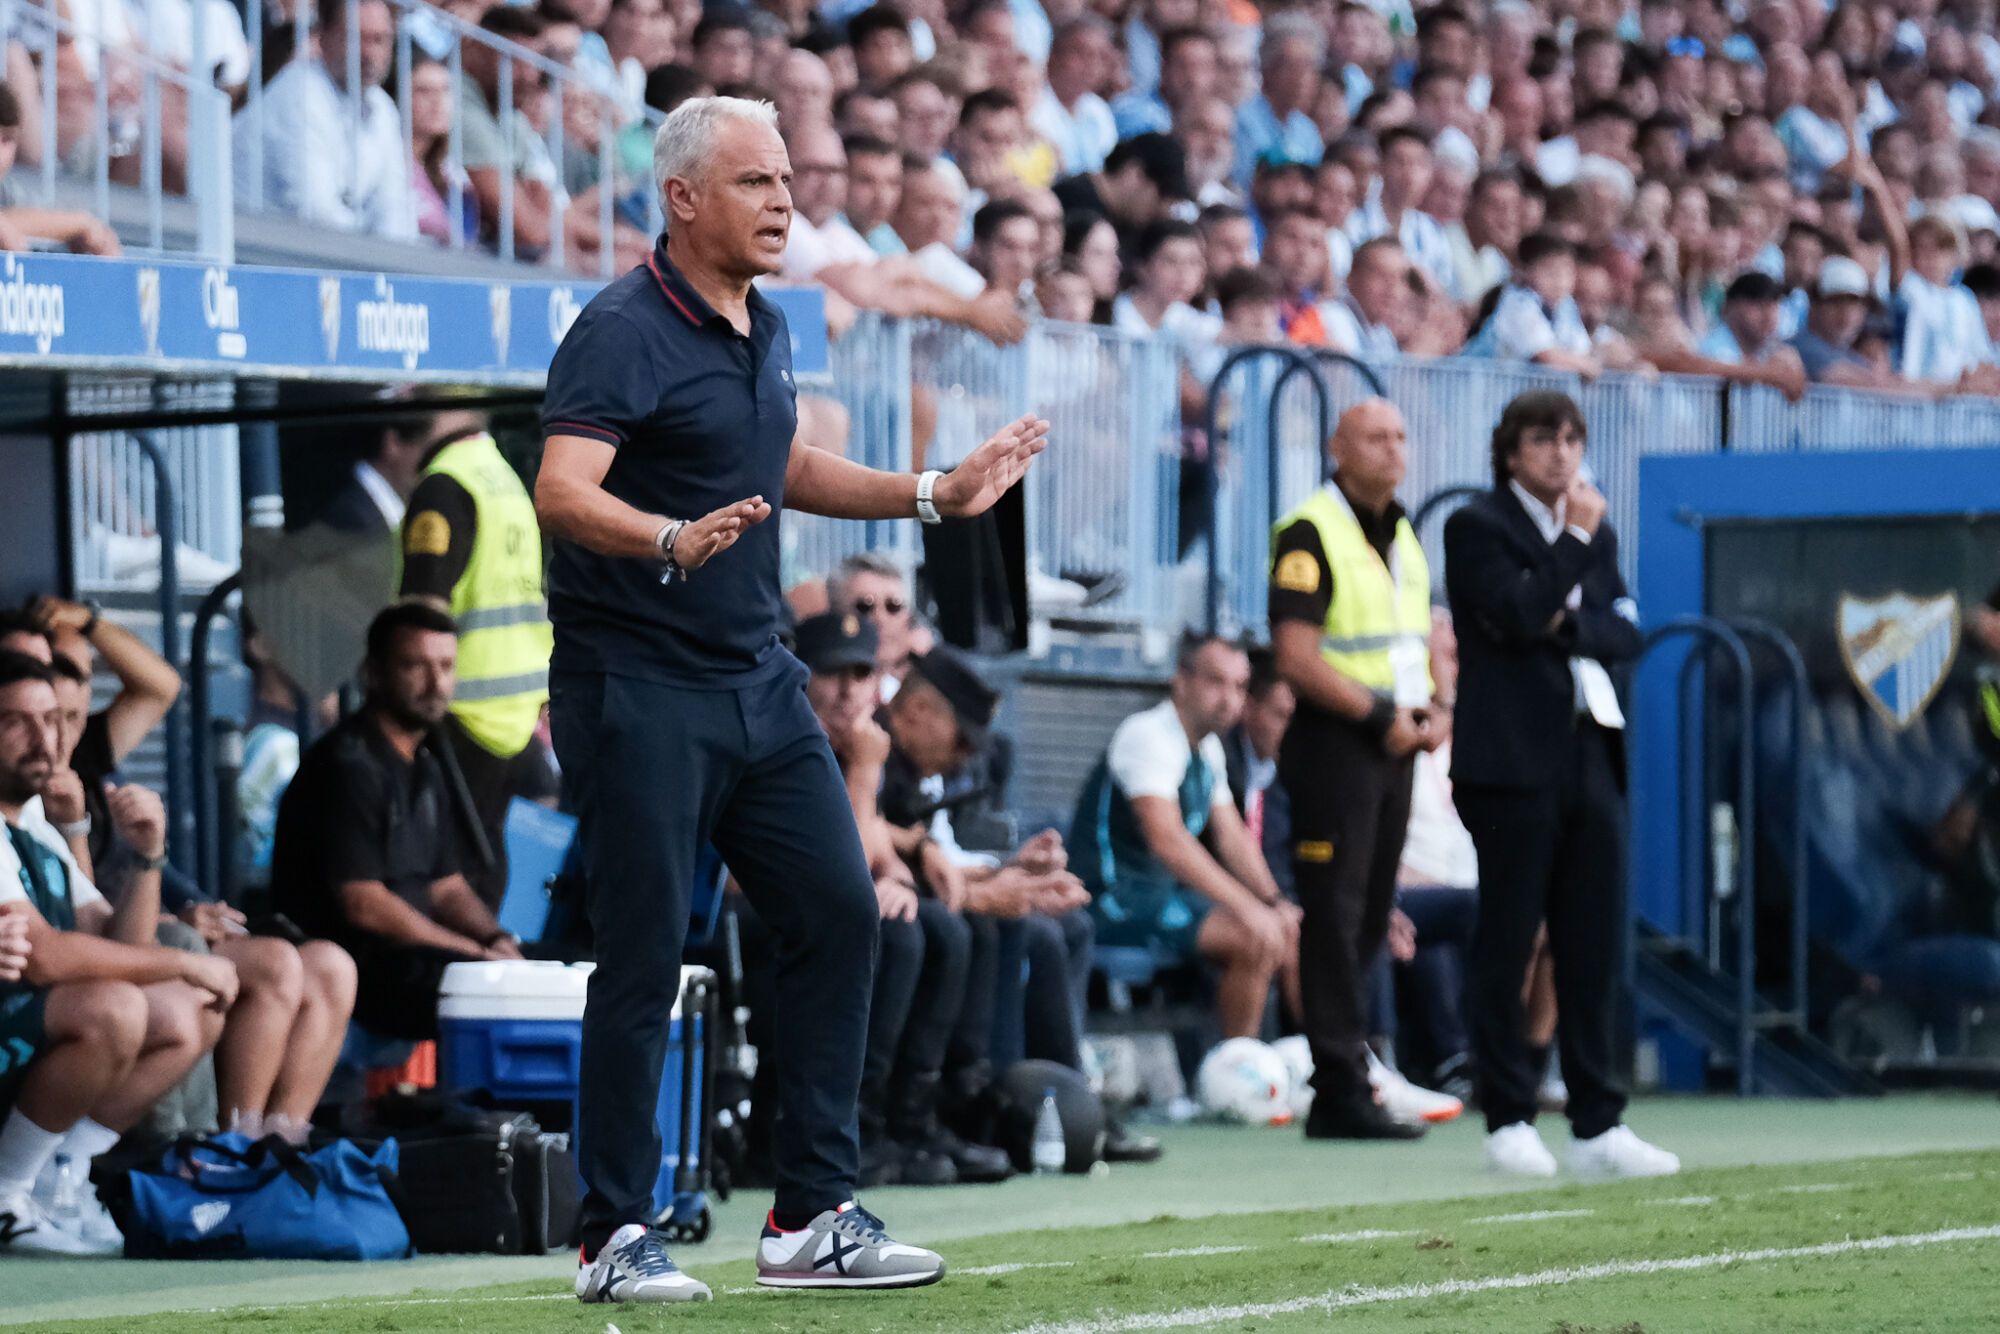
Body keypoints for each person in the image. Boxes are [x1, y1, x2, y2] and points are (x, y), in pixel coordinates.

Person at [533, 96, 1048, 1302]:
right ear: (682, 199)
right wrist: (666, 536)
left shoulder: (761, 323)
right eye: (758, 183)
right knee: (644, 953)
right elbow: (562, 489)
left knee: (840, 910)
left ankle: (810, 1213)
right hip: (637, 684)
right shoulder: (616, 328)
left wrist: (933, 492)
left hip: (757, 678)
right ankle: (613, 1234)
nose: (785, 203)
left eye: (784, 182)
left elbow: (782, 465)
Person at [1443, 389, 1678, 1181]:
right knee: (1510, 937)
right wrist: (1571, 550)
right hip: (1508, 763)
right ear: (1510, 451)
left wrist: (1564, 618)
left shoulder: (1596, 531)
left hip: (1589, 751)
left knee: (1591, 942)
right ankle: (1506, 1113)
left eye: (1573, 439)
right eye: (1544, 439)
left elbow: (1624, 629)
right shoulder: (1476, 524)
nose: (1562, 454)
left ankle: (1597, 1121)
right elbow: (1515, 611)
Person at [0, 652, 236, 1256]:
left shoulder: (36, 826)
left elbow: (120, 945)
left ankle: (62, 1177)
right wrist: (184, 960)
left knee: (192, 1008)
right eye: (16, 723)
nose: (44, 740)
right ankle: (5, 1192)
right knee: (116, 1010)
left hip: (27, 1027)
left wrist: (147, 857)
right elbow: (45, 959)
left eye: (53, 720)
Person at [1269, 398, 1439, 1141]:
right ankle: (1338, 1083)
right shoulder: (1311, 530)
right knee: (1334, 916)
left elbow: (1416, 640)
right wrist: (1380, 716)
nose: (1393, 449)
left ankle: (1353, 1066)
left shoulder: (1402, 529)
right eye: (1375, 436)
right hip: (1339, 743)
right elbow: (1296, 656)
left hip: (1396, 742)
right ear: (1337, 446)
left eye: (1402, 435)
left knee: (1370, 911)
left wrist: (1435, 709)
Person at [270, 604, 523, 1046]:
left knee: (562, 972)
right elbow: (364, 904)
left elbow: (448, 887)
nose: (435, 683)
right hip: (358, 967)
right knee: (503, 999)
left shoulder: (426, 761)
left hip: (416, 960)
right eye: (415, 666)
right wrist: (472, 955)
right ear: (374, 673)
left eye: (445, 666)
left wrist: (497, 940)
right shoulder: (347, 763)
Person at [1071, 635, 1299, 1040]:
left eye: (1239, 686)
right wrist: (1250, 908)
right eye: (1216, 681)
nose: (1229, 698)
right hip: (1111, 899)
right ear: (1181, 680)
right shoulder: (1148, 734)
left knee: (1288, 928)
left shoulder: (1207, 749)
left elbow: (1233, 837)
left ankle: (1325, 1066)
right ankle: (1239, 1072)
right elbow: (1168, 841)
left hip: (1158, 898)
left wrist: (1274, 901)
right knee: (1252, 937)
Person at [398, 412, 554, 913]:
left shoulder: (446, 484)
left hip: (459, 711)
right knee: (488, 880)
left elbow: (423, 616)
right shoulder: (501, 475)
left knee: (449, 882)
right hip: (514, 714)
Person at [233, 0, 414, 238]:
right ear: (323, 38)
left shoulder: (382, 107)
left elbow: (393, 206)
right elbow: (316, 212)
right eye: (355, 39)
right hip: (251, 246)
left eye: (379, 40)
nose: (369, 54)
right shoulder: (298, 94)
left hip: (304, 248)